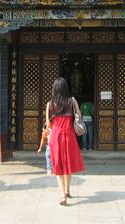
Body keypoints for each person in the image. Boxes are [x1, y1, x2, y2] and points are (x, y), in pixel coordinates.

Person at [46, 77, 84, 206]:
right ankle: (67, 190)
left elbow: (48, 124)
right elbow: (79, 115)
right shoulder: (72, 101)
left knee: (58, 165)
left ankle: (62, 195)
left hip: (56, 136)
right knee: (68, 163)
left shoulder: (50, 104)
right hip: (69, 135)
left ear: (54, 89)